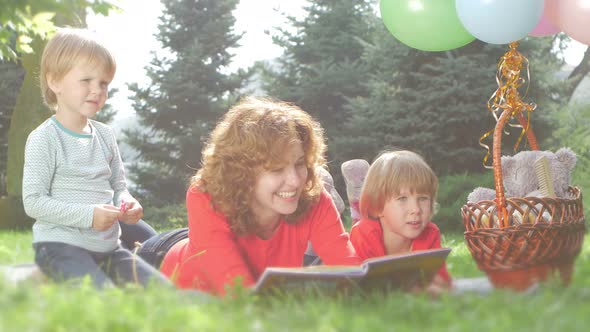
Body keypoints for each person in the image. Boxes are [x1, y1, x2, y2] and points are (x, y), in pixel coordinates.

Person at [137, 96, 361, 295]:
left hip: (211, 238)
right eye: (276, 169)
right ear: (241, 171)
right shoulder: (205, 196)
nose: (294, 181)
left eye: (299, 163)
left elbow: (352, 271)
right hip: (160, 257)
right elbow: (238, 294)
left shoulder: (314, 198)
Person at [22, 27, 169, 289]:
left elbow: (118, 188)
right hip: (60, 247)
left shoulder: (105, 135)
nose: (97, 90)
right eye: (86, 81)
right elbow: (33, 203)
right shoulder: (44, 138)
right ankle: (46, 275)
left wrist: (127, 203)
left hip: (110, 249)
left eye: (103, 83)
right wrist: (89, 216)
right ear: (55, 81)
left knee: (162, 292)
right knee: (105, 299)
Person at [349, 150, 452, 290]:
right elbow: (359, 288)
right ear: (378, 206)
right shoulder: (363, 234)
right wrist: (411, 288)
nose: (416, 209)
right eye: (402, 199)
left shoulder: (430, 234)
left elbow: (442, 283)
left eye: (423, 198)